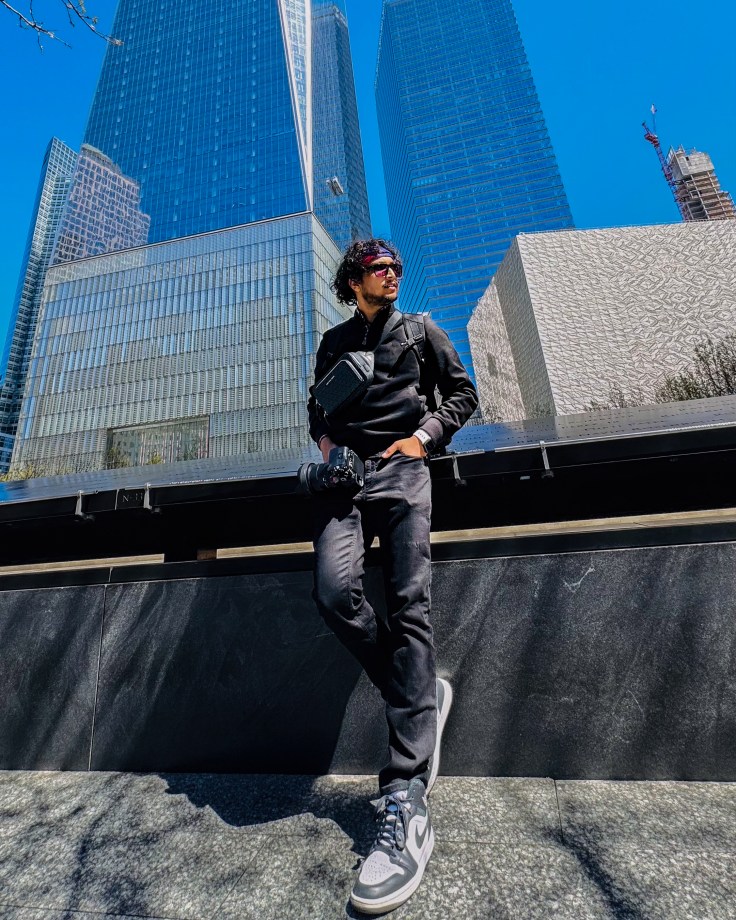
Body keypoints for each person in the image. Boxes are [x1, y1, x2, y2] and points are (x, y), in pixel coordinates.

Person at [307, 238, 477, 914]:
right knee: (334, 593)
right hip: (347, 481)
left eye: (397, 265)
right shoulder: (333, 340)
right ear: (354, 280)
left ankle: (405, 790)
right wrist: (329, 450)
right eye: (380, 267)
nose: (392, 273)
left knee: (410, 606)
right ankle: (418, 696)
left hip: (405, 473)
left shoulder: (420, 329)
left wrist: (423, 438)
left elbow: (462, 393)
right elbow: (318, 408)